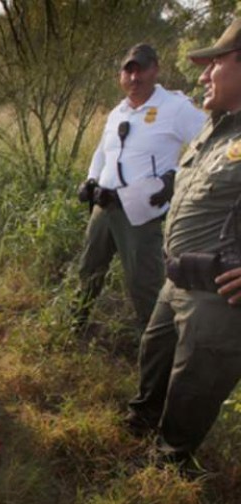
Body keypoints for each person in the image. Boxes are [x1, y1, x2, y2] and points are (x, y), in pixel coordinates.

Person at [123, 20, 241, 467]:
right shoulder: (216, 129)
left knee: (193, 386)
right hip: (176, 282)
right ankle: (142, 426)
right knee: (154, 356)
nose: (203, 75)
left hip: (216, 298)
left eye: (215, 63)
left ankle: (168, 469)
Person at [74, 44, 207, 331]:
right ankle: (75, 326)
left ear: (155, 69)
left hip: (141, 213)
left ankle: (154, 344)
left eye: (141, 69)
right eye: (128, 70)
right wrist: (91, 178)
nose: (134, 78)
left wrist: (176, 178)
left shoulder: (174, 107)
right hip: (103, 206)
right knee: (89, 269)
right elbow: (102, 151)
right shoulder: (118, 112)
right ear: (121, 75)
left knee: (143, 282)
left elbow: (210, 141)